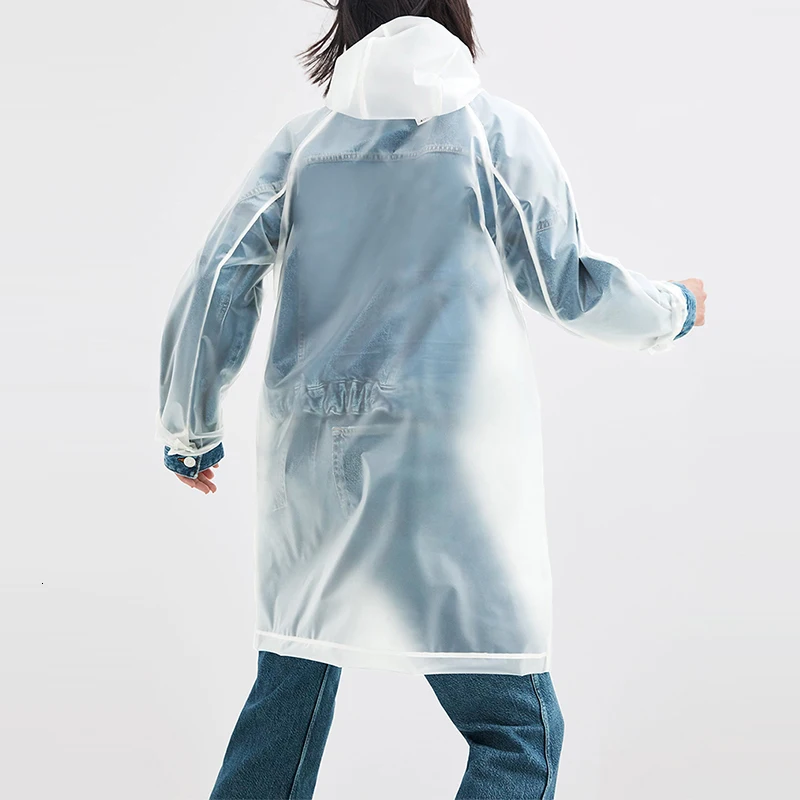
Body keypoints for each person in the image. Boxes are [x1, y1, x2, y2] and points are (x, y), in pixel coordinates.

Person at [155, 1, 707, 797]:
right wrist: (675, 308)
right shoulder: (492, 134)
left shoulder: (302, 145)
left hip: (319, 468)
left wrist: (190, 429)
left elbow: (218, 280)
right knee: (517, 732)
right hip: (448, 474)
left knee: (291, 697)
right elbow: (568, 285)